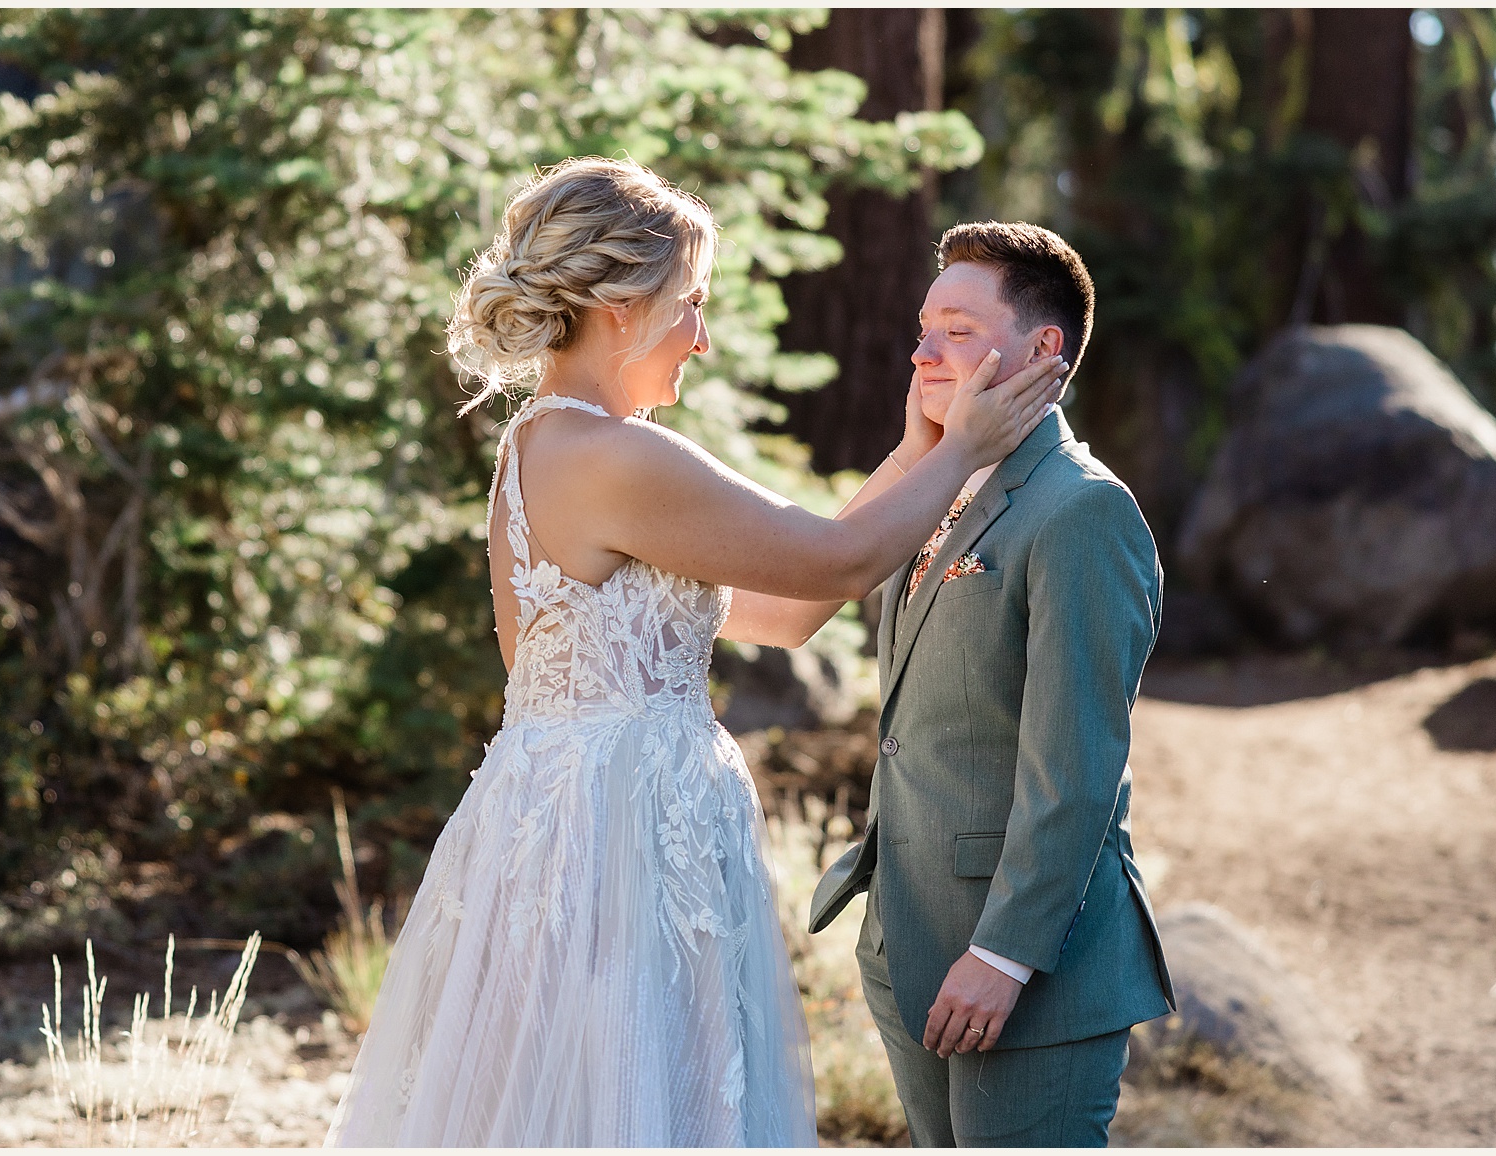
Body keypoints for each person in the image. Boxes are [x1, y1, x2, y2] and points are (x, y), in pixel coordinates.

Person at [326, 158, 1066, 1146]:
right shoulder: (614, 456)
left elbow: (790, 610)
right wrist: (962, 449)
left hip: (576, 816)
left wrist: (910, 448)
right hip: (615, 838)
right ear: (625, 303)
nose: (702, 337)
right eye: (692, 304)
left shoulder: (542, 446)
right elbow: (841, 561)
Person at [807, 221, 1174, 1147]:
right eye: (925, 326)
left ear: (1042, 348)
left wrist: (1004, 955)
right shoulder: (942, 484)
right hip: (908, 941)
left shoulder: (1083, 511)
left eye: (959, 330)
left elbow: (1077, 767)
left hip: (1023, 969)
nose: (925, 350)